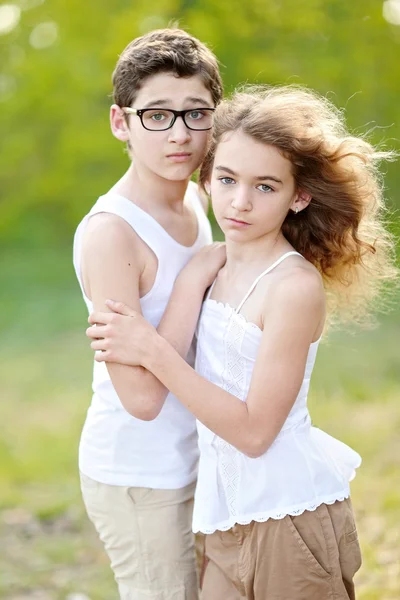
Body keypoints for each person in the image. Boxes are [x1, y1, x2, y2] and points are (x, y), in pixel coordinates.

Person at [85, 85, 397, 599]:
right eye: (226, 179)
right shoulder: (210, 264)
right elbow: (148, 369)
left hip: (289, 515)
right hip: (223, 512)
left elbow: (255, 433)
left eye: (266, 186)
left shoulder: (292, 287)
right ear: (205, 179)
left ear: (299, 196)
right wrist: (146, 330)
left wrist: (152, 351)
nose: (240, 202)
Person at [72, 28, 224, 600]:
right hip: (141, 474)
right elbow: (140, 399)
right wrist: (191, 280)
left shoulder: (195, 195)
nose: (180, 135)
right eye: (157, 115)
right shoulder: (112, 234)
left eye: (196, 114)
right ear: (121, 123)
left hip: (198, 454)